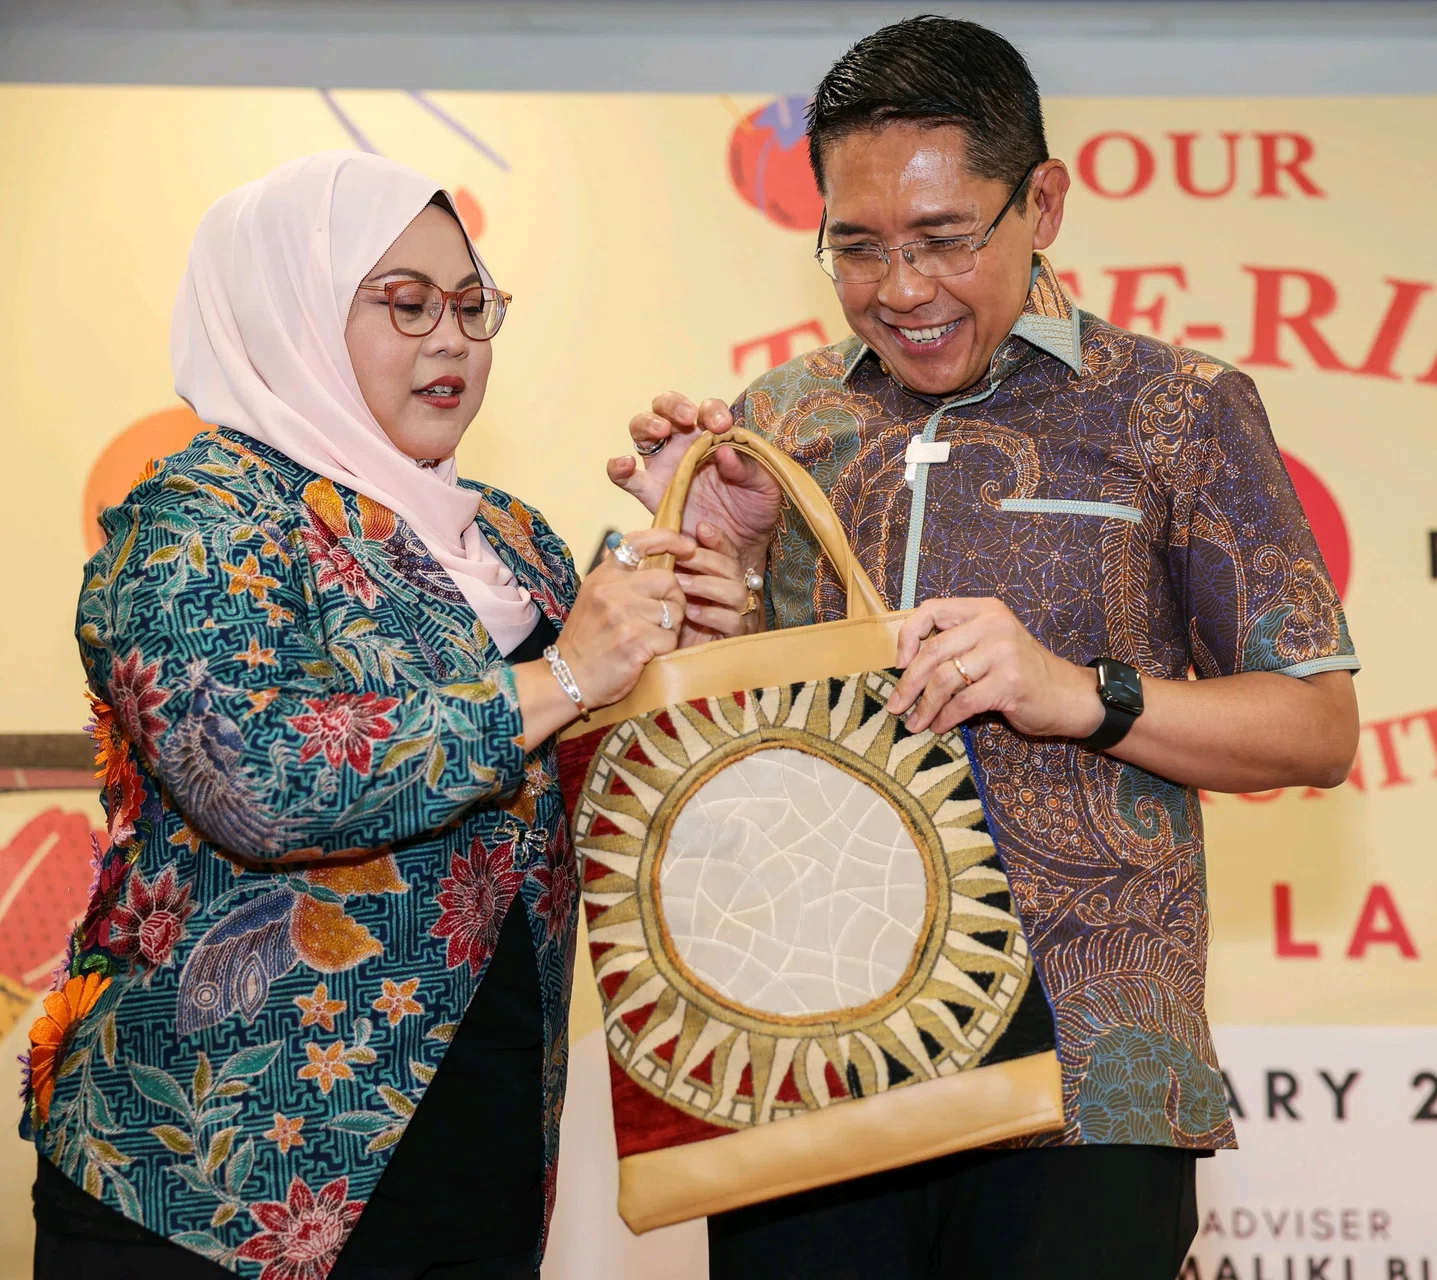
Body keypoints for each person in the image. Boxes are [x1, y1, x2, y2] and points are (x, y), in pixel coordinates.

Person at [613, 16, 1362, 1280]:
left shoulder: (1177, 406)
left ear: (1044, 204)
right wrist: (716, 571)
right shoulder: (780, 421)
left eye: (946, 239)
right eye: (857, 247)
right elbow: (711, 743)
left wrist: (1081, 694)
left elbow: (1315, 725)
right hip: (812, 1062)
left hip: (1088, 1070)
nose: (902, 288)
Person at [25, 151, 752, 1279]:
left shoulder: (511, 540)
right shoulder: (197, 518)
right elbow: (255, 781)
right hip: (218, 1171)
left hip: (477, 1141)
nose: (452, 338)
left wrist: (706, 577)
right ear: (292, 312)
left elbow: (608, 798)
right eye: (406, 304)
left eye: (472, 304)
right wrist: (565, 673)